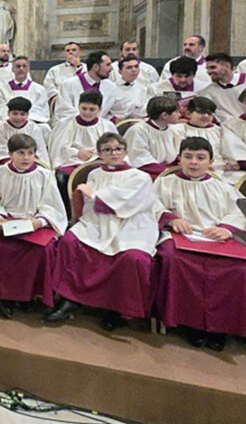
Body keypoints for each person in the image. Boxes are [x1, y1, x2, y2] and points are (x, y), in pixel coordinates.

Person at [153, 136, 246, 351]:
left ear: (210, 161)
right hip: (179, 238)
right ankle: (189, 324)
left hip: (216, 238)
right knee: (173, 261)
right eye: (188, 157)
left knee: (243, 270)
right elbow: (153, 206)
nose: (194, 162)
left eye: (200, 158)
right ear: (179, 158)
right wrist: (172, 219)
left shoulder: (222, 187)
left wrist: (225, 228)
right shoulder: (164, 182)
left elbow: (239, 210)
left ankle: (220, 327)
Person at [45, 132, 160, 330]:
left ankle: (116, 309)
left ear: (125, 151)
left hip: (131, 224)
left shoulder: (140, 177)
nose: (113, 153)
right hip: (98, 221)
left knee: (133, 258)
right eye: (107, 150)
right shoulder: (95, 173)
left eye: (118, 149)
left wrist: (95, 195)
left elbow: (128, 204)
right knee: (70, 241)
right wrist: (92, 196)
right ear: (99, 154)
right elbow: (90, 203)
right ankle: (70, 299)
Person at [0, 133, 67, 318]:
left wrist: (38, 222)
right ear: (10, 153)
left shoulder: (45, 175)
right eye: (21, 153)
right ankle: (1, 296)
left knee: (43, 250)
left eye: (31, 153)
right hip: (5, 222)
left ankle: (29, 295)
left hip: (32, 224)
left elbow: (51, 206)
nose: (26, 158)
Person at [181, 96, 246, 184]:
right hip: (192, 170)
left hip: (221, 170)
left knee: (243, 179)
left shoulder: (220, 131)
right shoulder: (178, 130)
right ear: (188, 114)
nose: (206, 116)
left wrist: (231, 164)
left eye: (210, 113)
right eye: (201, 112)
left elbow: (231, 151)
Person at [49, 91, 120, 176]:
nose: (87, 112)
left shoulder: (107, 126)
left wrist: (100, 153)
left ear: (100, 109)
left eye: (92, 109)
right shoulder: (64, 124)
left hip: (98, 161)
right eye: (84, 108)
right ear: (78, 106)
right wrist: (77, 153)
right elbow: (58, 150)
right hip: (72, 161)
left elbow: (115, 148)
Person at [199, 52, 246, 123]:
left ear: (227, 66)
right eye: (207, 68)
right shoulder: (207, 93)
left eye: (213, 67)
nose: (209, 72)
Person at [124, 96, 183, 178]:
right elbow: (140, 157)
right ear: (164, 115)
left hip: (170, 169)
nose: (179, 115)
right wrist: (166, 172)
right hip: (147, 172)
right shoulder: (138, 131)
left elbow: (178, 152)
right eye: (176, 112)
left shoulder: (174, 130)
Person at [54, 51, 121, 122]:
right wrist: (87, 119)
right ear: (96, 67)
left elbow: (123, 106)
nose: (111, 68)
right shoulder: (69, 84)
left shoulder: (110, 86)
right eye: (108, 65)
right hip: (74, 128)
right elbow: (62, 111)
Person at [0, 97, 50, 166]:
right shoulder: (0, 128)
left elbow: (40, 152)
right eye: (15, 114)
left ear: (28, 114)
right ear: (8, 113)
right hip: (6, 164)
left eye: (22, 114)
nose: (18, 117)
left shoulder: (34, 128)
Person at [0, 55, 49, 124]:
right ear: (12, 69)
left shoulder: (39, 89)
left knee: (44, 128)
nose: (21, 69)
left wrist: (25, 118)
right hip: (9, 123)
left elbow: (40, 109)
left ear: (28, 69)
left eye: (24, 66)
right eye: (18, 66)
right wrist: (14, 118)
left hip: (32, 123)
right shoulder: (2, 90)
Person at [109, 56, 149, 121]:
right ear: (120, 71)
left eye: (136, 66)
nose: (134, 70)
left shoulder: (144, 88)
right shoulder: (112, 88)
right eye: (129, 67)